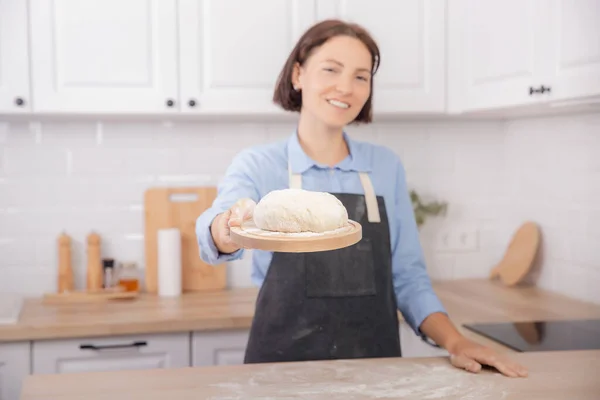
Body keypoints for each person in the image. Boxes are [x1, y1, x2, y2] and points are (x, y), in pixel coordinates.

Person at [196, 19, 528, 378]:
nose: (346, 87)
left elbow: (409, 278)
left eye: (361, 76)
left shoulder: (385, 167)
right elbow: (218, 222)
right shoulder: (259, 166)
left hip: (376, 369)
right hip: (279, 370)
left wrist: (456, 342)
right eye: (331, 70)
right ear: (298, 75)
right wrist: (226, 228)